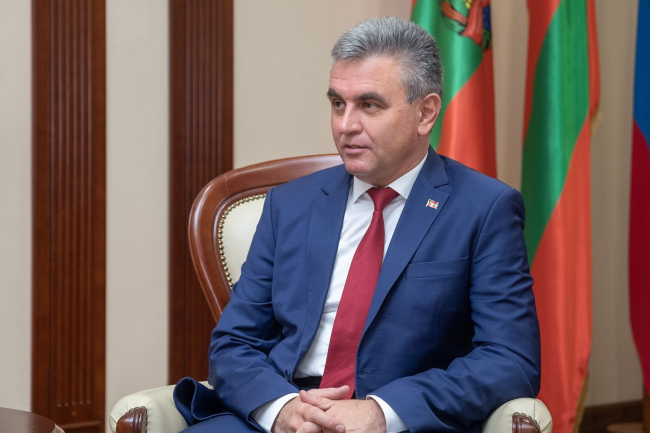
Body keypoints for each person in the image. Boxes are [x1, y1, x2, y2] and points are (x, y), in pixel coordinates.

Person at [179, 16, 540, 433]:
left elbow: (510, 360)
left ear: (425, 113)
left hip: (399, 418)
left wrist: (382, 413)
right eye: (338, 104)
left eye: (369, 105)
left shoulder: (484, 208)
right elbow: (234, 343)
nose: (345, 125)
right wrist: (282, 411)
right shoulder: (290, 205)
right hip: (287, 408)